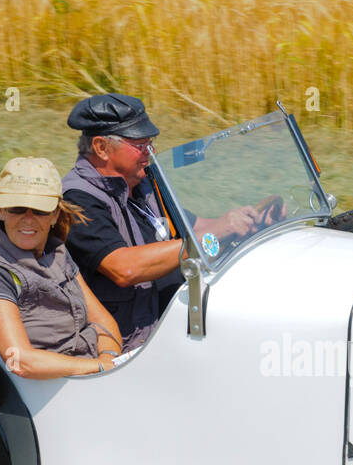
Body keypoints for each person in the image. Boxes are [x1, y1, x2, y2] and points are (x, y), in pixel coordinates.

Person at [62, 93, 278, 349]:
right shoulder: (77, 200)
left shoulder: (143, 181)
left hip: (174, 317)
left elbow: (194, 228)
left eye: (150, 143)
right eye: (140, 145)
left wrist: (244, 222)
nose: (150, 153)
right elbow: (124, 268)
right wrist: (218, 232)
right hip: (131, 341)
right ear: (101, 147)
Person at [0, 157, 124, 379]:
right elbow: (20, 361)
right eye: (17, 208)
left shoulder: (56, 250)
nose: (28, 220)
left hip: (93, 371)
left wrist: (110, 358)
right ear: (0, 211)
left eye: (40, 210)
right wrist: (99, 368)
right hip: (52, 387)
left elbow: (103, 322)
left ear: (55, 214)